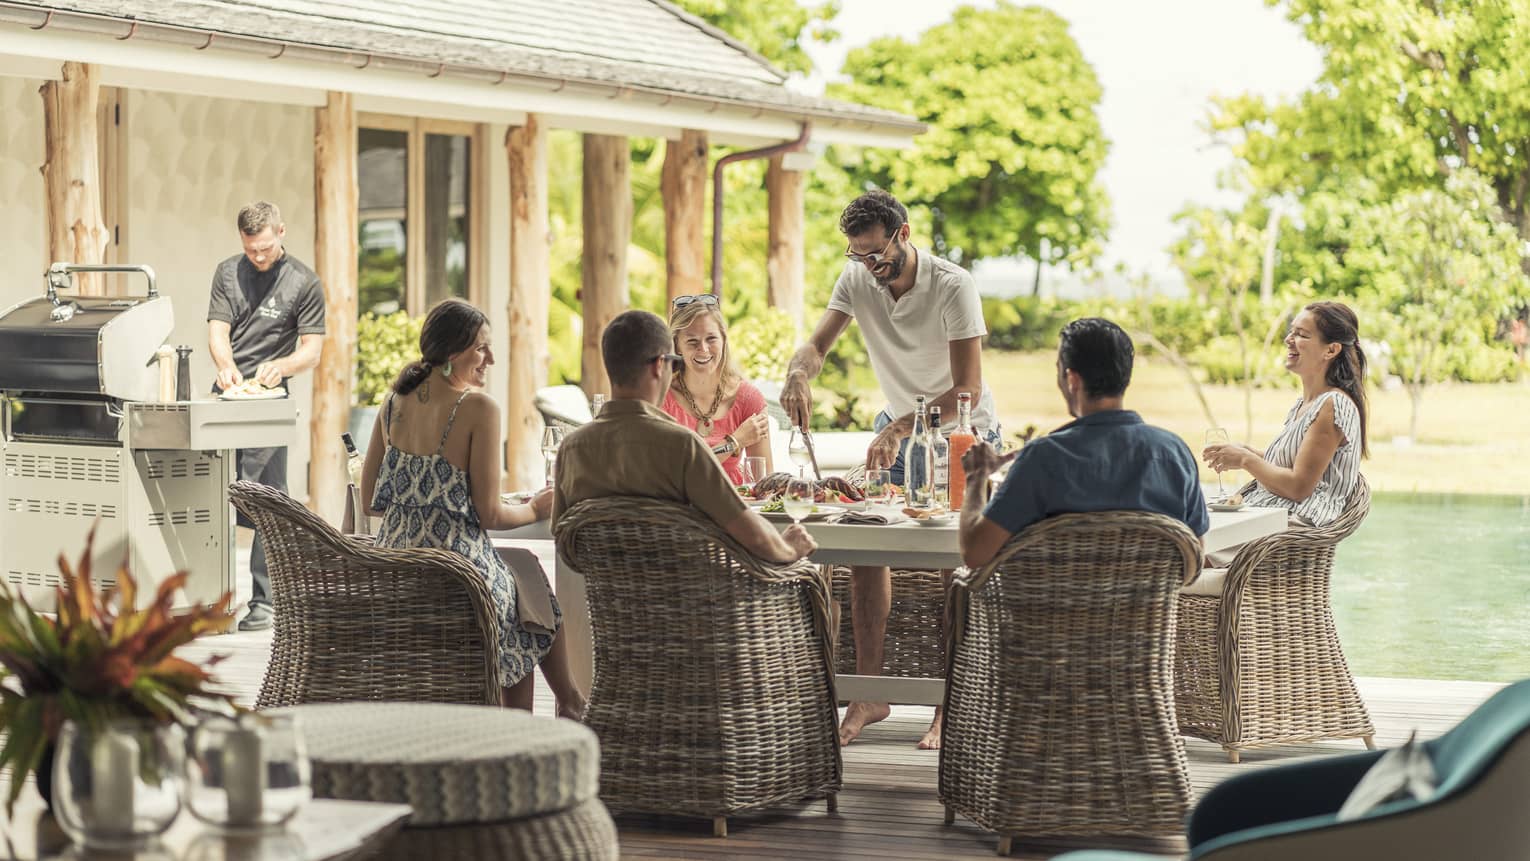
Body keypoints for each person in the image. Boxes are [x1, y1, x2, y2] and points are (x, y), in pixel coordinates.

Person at [780, 189, 999, 747]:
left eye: (877, 255)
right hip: (897, 429)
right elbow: (817, 345)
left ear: (903, 235)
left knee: (958, 561)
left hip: (960, 436)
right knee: (865, 549)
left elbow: (967, 389)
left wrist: (902, 426)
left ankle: (952, 702)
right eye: (858, 256)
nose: (869, 268)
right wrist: (799, 372)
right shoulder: (857, 277)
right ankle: (869, 693)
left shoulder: (953, 285)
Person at [950, 318, 1208, 750]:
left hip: (1045, 660)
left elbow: (975, 553)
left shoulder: (1044, 459)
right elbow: (1192, 560)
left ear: (1071, 378)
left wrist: (977, 479)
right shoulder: (1172, 452)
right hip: (1138, 659)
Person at [358, 298, 584, 717]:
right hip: (457, 574)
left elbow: (370, 499)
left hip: (399, 569)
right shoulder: (479, 408)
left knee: (524, 575)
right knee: (526, 613)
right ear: (452, 352)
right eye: (482, 348)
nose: (491, 359)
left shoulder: (393, 404)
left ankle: (564, 701)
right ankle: (552, 710)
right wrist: (536, 508)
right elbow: (491, 516)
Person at [552, 310, 816, 567]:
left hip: (610, 604)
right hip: (697, 602)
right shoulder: (681, 446)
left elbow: (563, 539)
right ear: (659, 366)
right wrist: (790, 547)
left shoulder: (570, 449)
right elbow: (755, 537)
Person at [207, 201, 325, 632]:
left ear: (281, 231)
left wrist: (283, 367)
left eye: (265, 248)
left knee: (267, 498)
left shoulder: (304, 283)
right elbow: (218, 330)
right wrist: (224, 364)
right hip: (227, 396)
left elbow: (311, 351)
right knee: (210, 494)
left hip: (270, 400)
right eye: (250, 249)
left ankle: (266, 603)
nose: (258, 256)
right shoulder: (226, 273)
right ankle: (211, 601)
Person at [1202, 301, 1369, 565]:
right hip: (1268, 519)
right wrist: (1245, 451)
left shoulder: (1333, 405)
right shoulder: (1305, 405)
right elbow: (1290, 464)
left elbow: (1298, 487)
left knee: (1178, 558)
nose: (1289, 340)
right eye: (1292, 332)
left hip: (1286, 532)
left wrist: (1245, 461)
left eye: (1302, 335)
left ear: (1331, 350)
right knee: (1180, 537)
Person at [660, 294, 773, 485]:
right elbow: (675, 476)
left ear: (723, 340)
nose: (703, 349)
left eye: (711, 338)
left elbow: (764, 484)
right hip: (680, 510)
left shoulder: (749, 399)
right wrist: (734, 442)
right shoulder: (662, 398)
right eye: (692, 341)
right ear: (677, 345)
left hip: (735, 507)